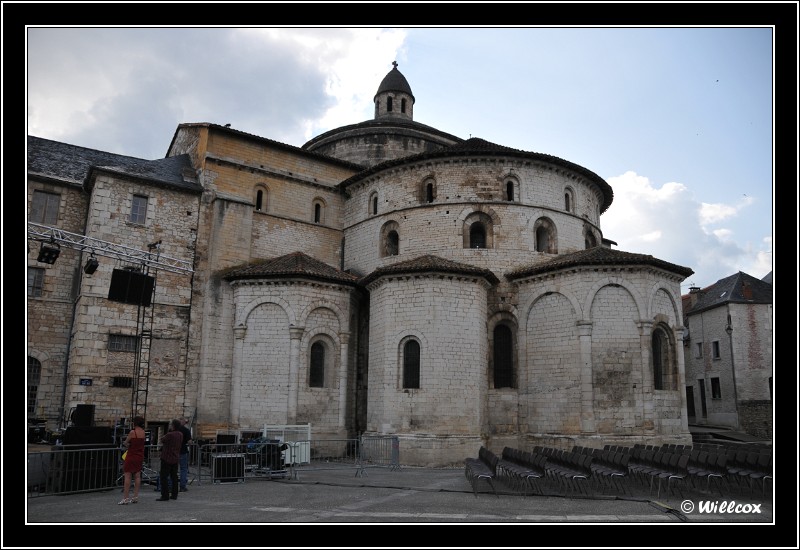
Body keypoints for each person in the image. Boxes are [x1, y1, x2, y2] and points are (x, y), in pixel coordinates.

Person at [118, 416, 146, 505]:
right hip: (139, 456)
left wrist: (126, 444)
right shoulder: (143, 432)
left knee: (128, 476)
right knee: (137, 476)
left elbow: (126, 442)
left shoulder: (132, 432)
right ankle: (135, 497)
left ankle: (125, 498)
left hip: (131, 455)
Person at [157, 419, 183, 501]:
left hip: (167, 457)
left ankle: (165, 495)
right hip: (175, 457)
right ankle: (174, 494)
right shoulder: (180, 434)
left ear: (173, 426)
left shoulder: (170, 434)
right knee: (174, 476)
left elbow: (162, 439)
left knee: (164, 477)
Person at [178, 418, 192, 491]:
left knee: (172, 468)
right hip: (182, 451)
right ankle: (182, 486)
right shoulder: (186, 430)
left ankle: (170, 485)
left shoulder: (173, 429)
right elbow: (189, 442)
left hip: (173, 451)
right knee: (183, 469)